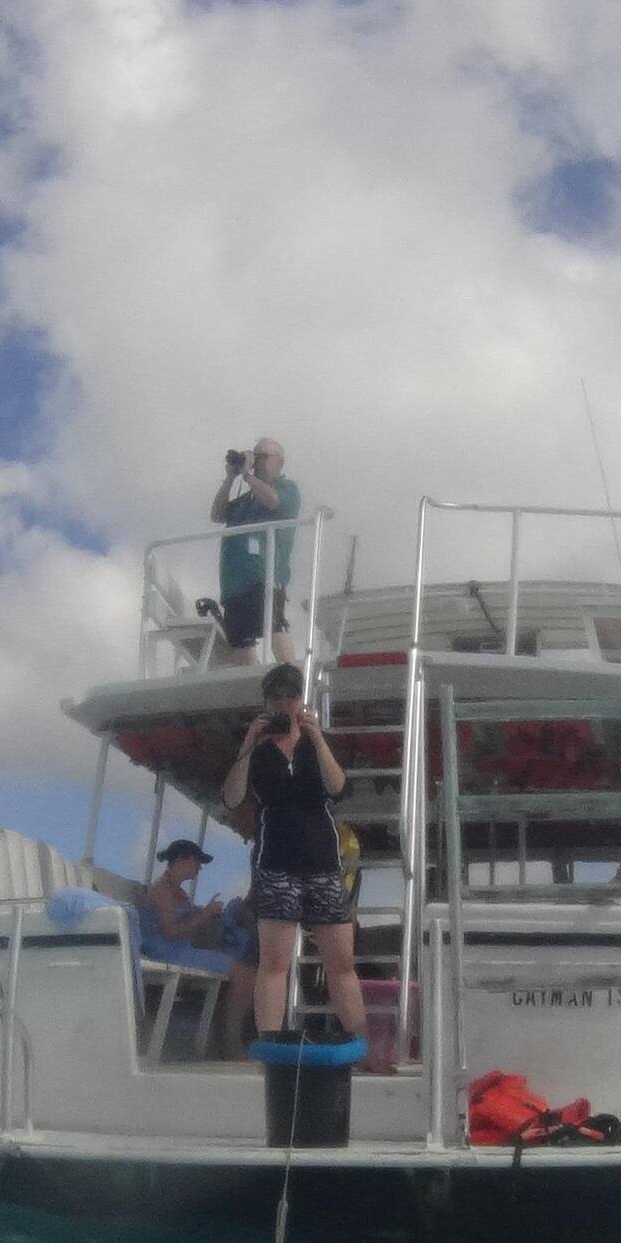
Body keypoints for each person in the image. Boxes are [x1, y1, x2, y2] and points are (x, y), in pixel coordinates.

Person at [220, 662, 366, 1045]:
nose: (285, 704)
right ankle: (270, 1046)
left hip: (322, 865)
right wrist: (248, 745)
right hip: (277, 866)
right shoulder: (258, 749)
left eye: (291, 696)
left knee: (342, 963)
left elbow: (338, 789)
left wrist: (317, 739)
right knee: (274, 964)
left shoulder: (316, 741)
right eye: (277, 698)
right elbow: (232, 798)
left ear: (301, 700)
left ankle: (360, 1045)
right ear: (267, 703)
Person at [207, 436, 301, 665]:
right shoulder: (245, 500)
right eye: (254, 456)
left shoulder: (286, 488)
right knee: (241, 640)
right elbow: (217, 515)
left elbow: (273, 501)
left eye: (262, 457)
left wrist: (248, 475)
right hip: (234, 583)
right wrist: (230, 478)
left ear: (279, 463)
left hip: (264, 575)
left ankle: (291, 677)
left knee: (275, 624)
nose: (257, 461)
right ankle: (255, 691)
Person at [139, 839, 236, 970]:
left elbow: (190, 926)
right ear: (181, 859)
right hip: (166, 954)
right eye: (197, 862)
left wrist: (210, 917)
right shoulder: (162, 889)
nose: (200, 867)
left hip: (181, 951)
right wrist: (205, 914)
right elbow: (170, 933)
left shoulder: (180, 893)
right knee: (237, 968)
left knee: (237, 963)